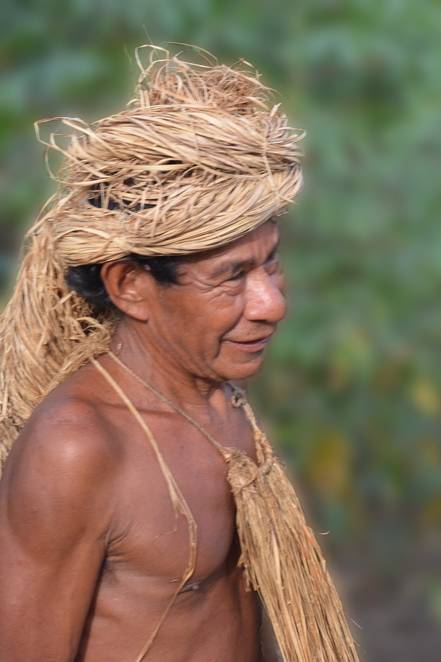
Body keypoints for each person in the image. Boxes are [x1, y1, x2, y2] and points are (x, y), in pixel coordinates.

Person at [0, 47, 359, 662]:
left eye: (271, 263)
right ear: (130, 286)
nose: (271, 303)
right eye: (231, 277)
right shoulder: (78, 447)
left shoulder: (219, 402)